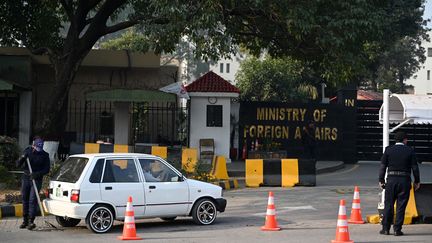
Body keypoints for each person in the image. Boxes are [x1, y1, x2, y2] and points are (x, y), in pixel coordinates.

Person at [379, 131, 420, 236]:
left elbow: (383, 166)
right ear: (405, 140)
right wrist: (417, 181)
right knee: (401, 206)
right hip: (404, 181)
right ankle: (397, 230)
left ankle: (386, 229)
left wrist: (381, 180)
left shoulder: (388, 150)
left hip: (391, 180)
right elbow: (415, 168)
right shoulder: (410, 151)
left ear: (395, 140)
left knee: (388, 205)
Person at [15, 137, 50, 230]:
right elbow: (17, 165)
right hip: (26, 178)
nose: (38, 150)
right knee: (25, 199)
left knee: (32, 200)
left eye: (40, 148)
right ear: (33, 145)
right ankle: (25, 221)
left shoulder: (45, 155)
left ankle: (31, 221)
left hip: (36, 179)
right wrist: (22, 157)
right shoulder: (27, 151)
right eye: (37, 148)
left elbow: (47, 169)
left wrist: (37, 174)